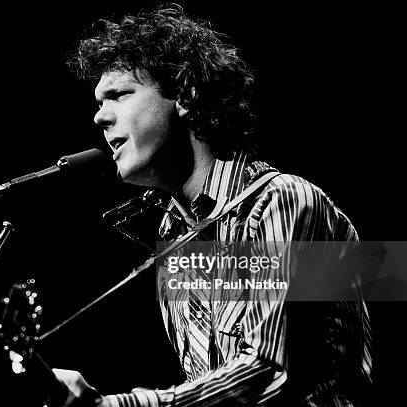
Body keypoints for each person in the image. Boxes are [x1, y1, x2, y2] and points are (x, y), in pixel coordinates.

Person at [51, 4, 372, 406]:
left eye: (118, 95)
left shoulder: (282, 201)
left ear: (185, 95)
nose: (100, 116)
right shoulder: (172, 236)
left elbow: (269, 370)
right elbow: (212, 384)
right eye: (99, 102)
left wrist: (116, 405)